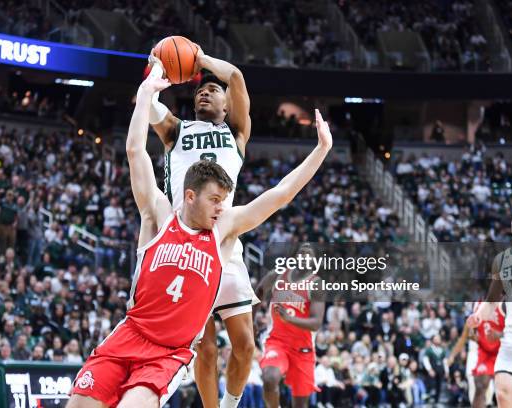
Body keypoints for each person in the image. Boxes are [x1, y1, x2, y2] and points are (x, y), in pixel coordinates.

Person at [67, 69, 332, 408]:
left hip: (168, 350)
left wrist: (322, 149)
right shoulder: (159, 214)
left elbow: (281, 193)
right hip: (129, 334)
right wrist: (147, 89)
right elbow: (135, 151)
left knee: (240, 345)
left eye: (225, 199)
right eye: (215, 200)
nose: (222, 206)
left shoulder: (224, 226)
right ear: (190, 196)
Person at [148, 44, 257, 408]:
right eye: (199, 90)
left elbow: (237, 78)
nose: (205, 92)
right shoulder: (175, 130)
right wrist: (154, 76)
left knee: (245, 344)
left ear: (226, 106)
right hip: (183, 246)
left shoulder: (236, 134)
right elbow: (147, 108)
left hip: (224, 241)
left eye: (213, 90)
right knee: (204, 349)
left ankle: (230, 403)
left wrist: (200, 60)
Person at [257, 243, 326, 408]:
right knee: (269, 378)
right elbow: (257, 292)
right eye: (301, 252)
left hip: (303, 349)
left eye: (308, 254)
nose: (303, 256)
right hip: (277, 342)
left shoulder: (316, 284)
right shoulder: (278, 275)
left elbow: (316, 323)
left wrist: (289, 318)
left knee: (300, 405)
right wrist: (251, 321)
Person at [469, 215, 512, 407]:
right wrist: (478, 316)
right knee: (503, 393)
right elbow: (492, 301)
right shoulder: (504, 260)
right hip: (510, 342)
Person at [448, 302, 503, 407]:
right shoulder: (472, 319)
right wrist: (453, 354)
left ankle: (487, 403)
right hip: (475, 352)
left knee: (490, 385)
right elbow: (464, 337)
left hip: (491, 352)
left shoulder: (496, 314)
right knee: (473, 382)